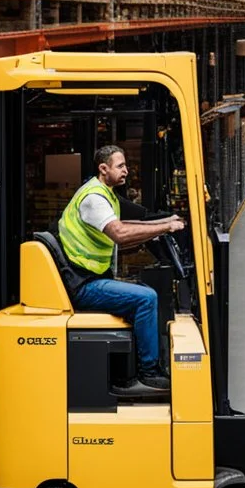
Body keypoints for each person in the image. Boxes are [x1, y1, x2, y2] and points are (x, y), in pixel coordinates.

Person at [58, 145, 185, 393]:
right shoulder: (94, 198)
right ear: (103, 169)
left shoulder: (106, 194)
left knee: (142, 290)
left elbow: (127, 225)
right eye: (120, 166)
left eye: (126, 165)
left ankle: (137, 365)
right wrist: (165, 229)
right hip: (82, 284)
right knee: (147, 298)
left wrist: (164, 222)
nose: (126, 170)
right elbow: (120, 233)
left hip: (88, 278)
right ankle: (149, 372)